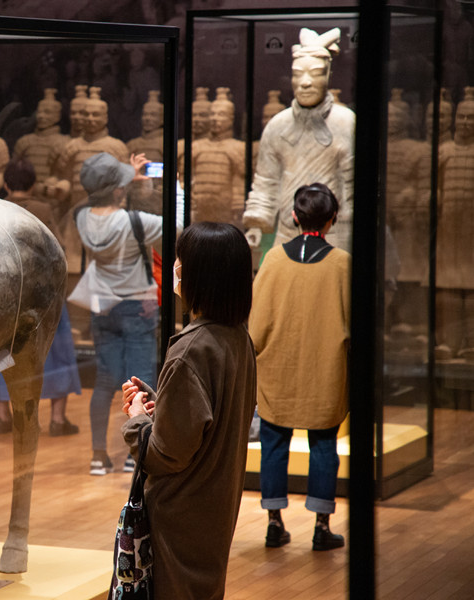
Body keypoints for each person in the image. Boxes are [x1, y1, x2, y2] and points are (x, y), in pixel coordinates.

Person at [121, 221, 256, 599]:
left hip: (179, 517)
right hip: (214, 511)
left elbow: (164, 456)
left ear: (199, 275)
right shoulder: (238, 338)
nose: (174, 269)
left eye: (180, 261)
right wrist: (161, 403)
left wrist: (137, 419)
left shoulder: (191, 349)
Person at [248, 183, 349, 551]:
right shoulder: (343, 264)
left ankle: (274, 524)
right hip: (325, 371)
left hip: (278, 369)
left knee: (274, 445)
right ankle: (322, 527)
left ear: (293, 216)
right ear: (333, 218)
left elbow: (256, 324)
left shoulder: (273, 259)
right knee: (324, 446)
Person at [0, 158, 82, 436]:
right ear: (34, 184)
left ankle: (3, 417)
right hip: (42, 296)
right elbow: (57, 248)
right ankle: (57, 420)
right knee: (57, 353)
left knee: (1, 353)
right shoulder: (43, 209)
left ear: (5, 184)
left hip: (6, 297)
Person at [74, 151, 161, 475]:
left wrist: (121, 185)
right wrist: (168, 188)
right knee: (141, 381)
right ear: (118, 190)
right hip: (137, 307)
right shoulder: (134, 221)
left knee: (104, 382)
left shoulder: (82, 217)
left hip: (103, 308)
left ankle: (98, 456)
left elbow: (95, 204)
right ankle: (135, 453)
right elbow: (178, 225)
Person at [242, 27, 355, 253]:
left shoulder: (346, 123)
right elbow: (266, 181)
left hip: (334, 234)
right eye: (298, 74)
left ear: (328, 75)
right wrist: (256, 224)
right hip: (288, 231)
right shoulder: (278, 125)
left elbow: (354, 186)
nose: (305, 82)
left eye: (315, 73)